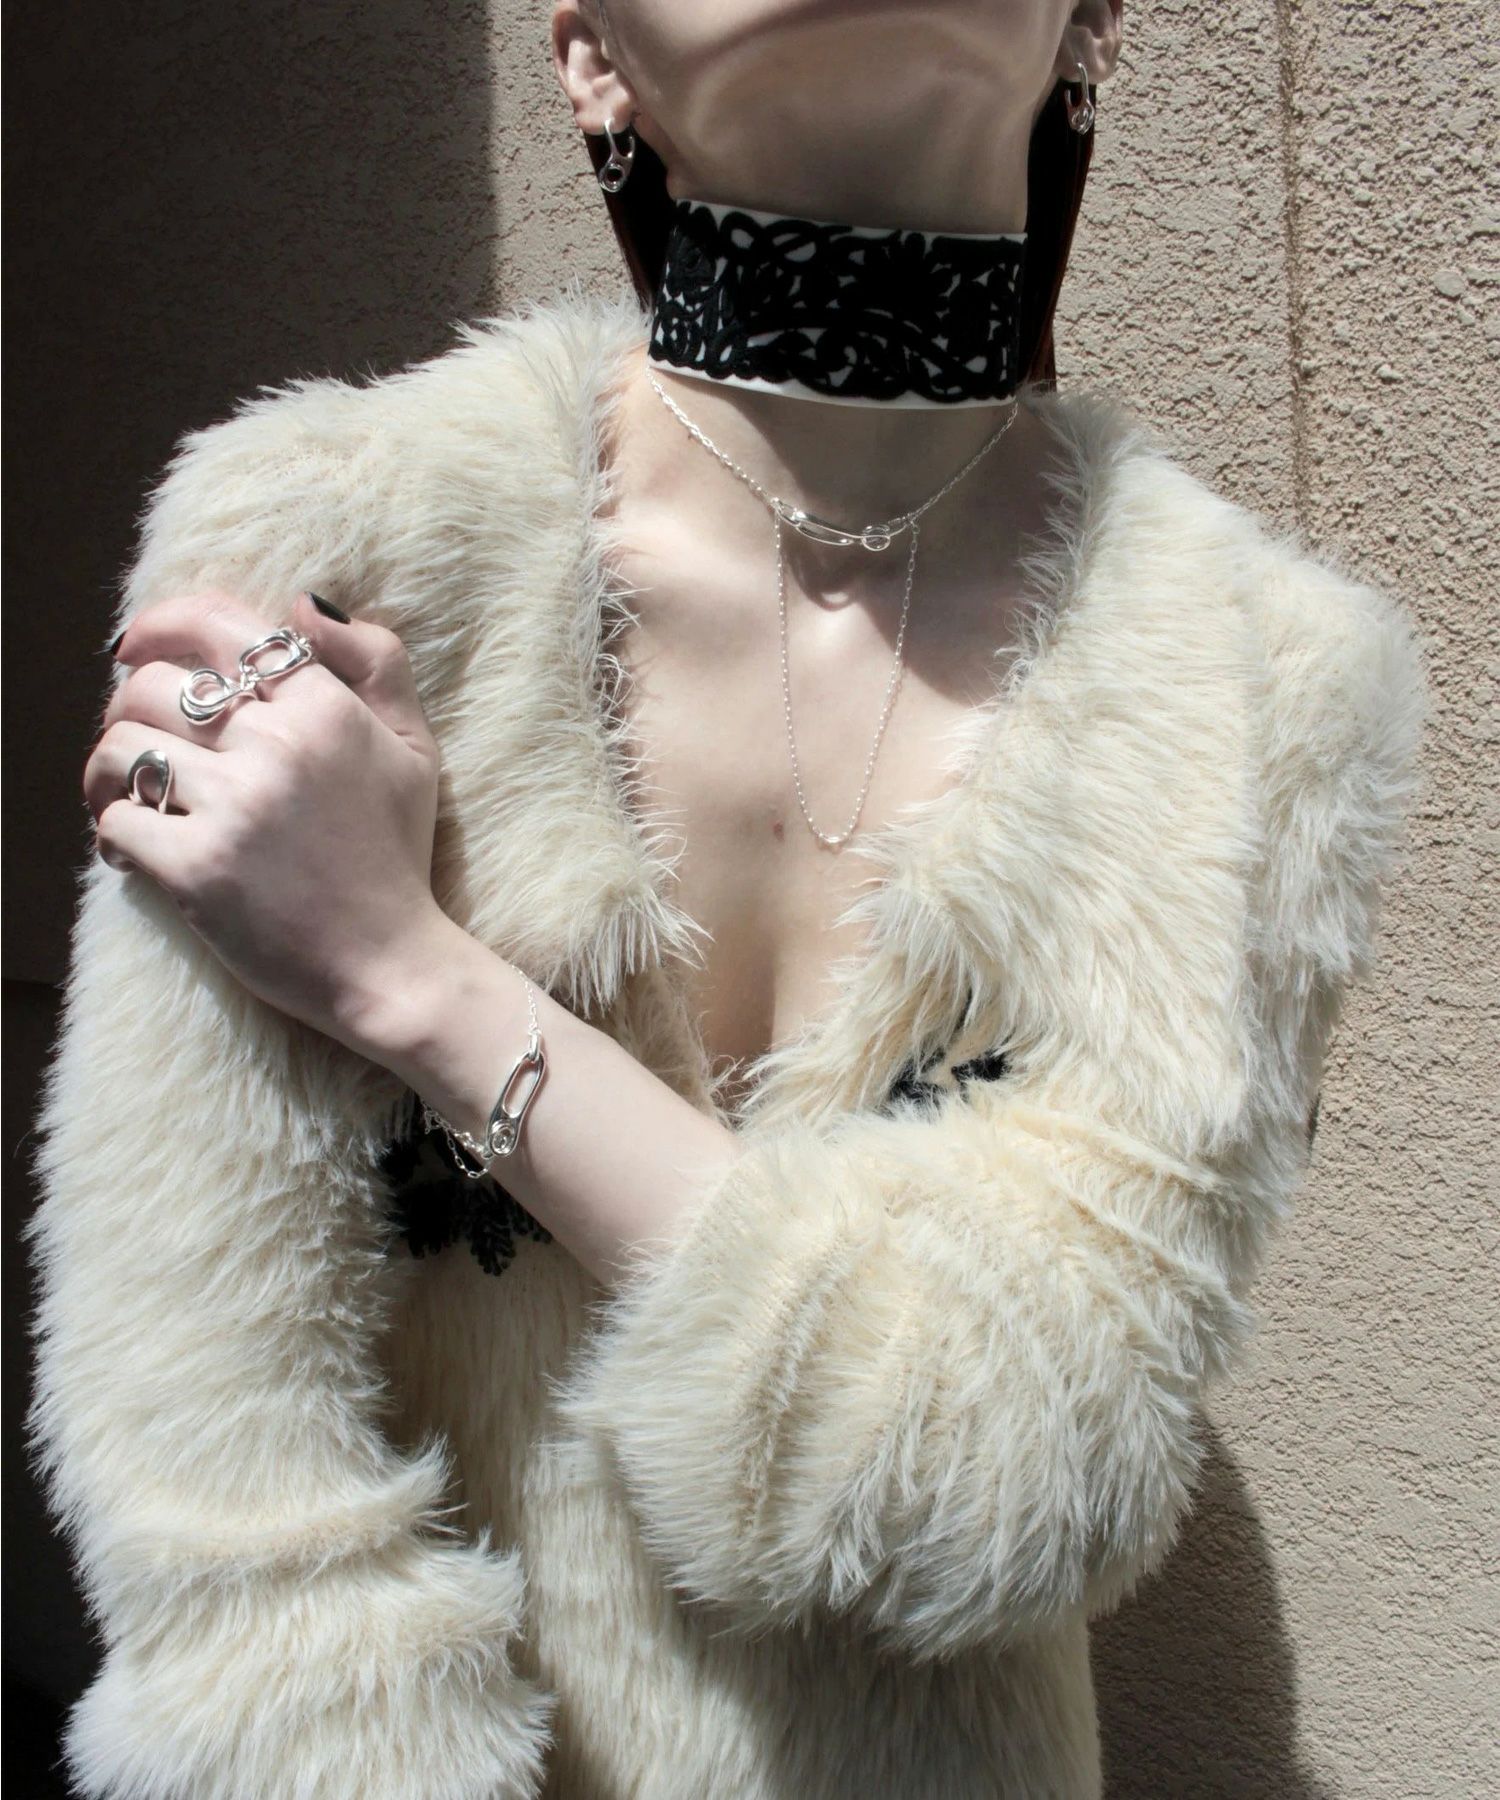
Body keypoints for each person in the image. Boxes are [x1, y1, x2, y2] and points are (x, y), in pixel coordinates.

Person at [25, 3, 1429, 1796]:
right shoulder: (340, 536)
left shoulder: (1262, 680)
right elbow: (203, 1460)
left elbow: (1001, 1475)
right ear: (586, 56)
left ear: (1088, 25)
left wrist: (406, 975)